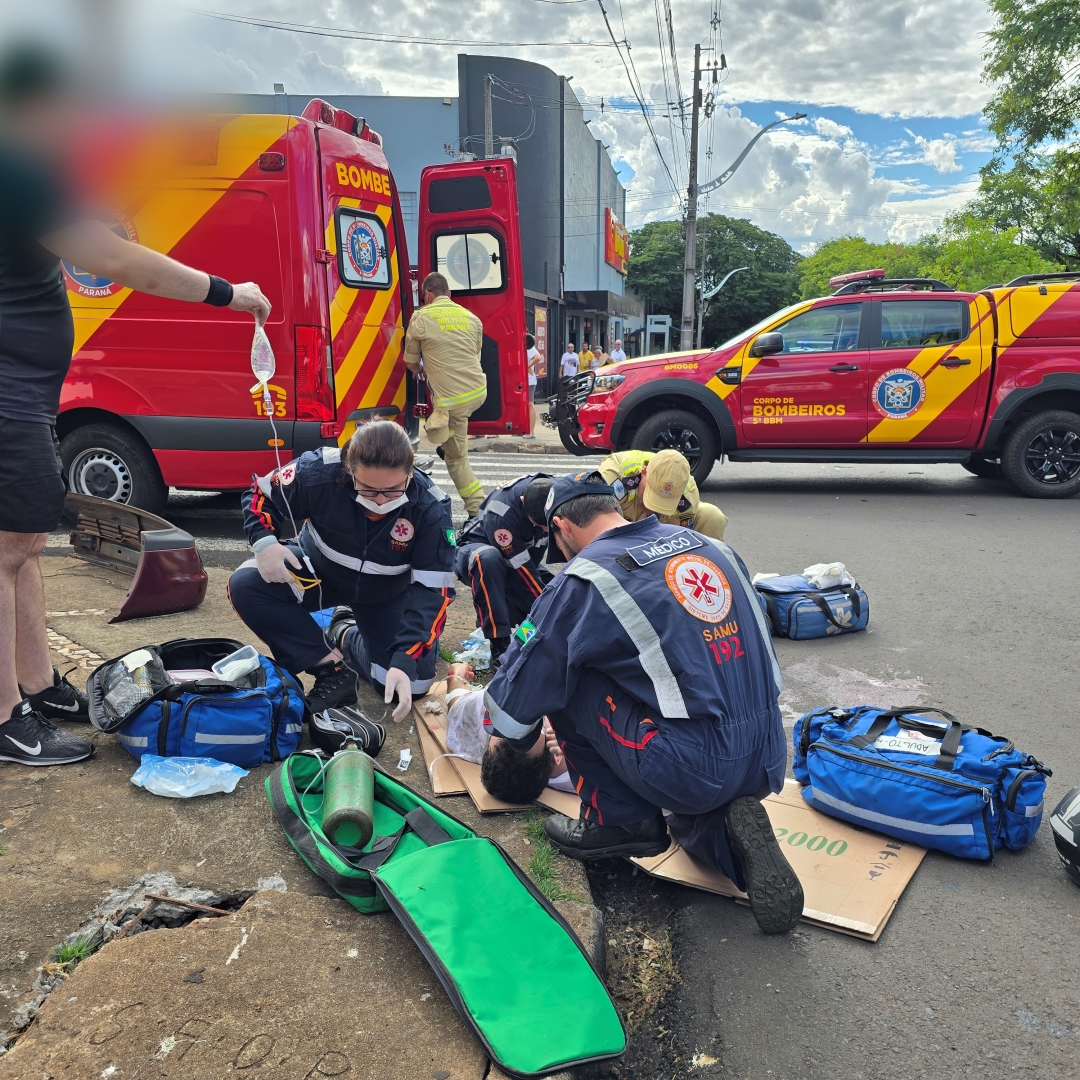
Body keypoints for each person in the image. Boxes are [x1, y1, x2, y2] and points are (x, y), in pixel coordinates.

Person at [0, 45, 271, 768]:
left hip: (23, 385)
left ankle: (36, 683)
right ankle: (5, 718)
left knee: (23, 547)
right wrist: (227, 291)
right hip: (6, 387)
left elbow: (86, 235)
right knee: (5, 549)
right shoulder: (16, 162)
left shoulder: (29, 169)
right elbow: (116, 261)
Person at [479, 471, 803, 935]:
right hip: (767, 751)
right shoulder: (707, 545)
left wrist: (522, 746)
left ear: (563, 529)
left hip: (693, 765)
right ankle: (731, 845)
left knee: (566, 673)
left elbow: (515, 703)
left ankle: (620, 823)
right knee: (692, 807)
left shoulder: (586, 575)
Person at [228, 420, 456, 723]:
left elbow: (433, 593)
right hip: (319, 573)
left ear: (410, 474)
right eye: (369, 489)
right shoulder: (319, 472)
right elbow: (262, 493)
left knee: (408, 684)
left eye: (392, 491)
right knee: (247, 584)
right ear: (349, 471)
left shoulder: (430, 508)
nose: (379, 502)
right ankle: (330, 667)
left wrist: (405, 657)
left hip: (385, 594)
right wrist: (265, 542)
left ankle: (346, 634)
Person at [404, 272, 487, 516]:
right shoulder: (472, 318)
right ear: (449, 294)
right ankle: (447, 439)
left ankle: (476, 509)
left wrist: (420, 370)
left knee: (456, 459)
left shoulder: (421, 317)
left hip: (452, 401)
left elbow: (411, 362)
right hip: (477, 391)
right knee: (451, 429)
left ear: (427, 294)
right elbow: (475, 355)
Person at [455, 473, 555, 664]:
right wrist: (545, 609)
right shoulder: (501, 514)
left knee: (557, 592)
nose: (545, 530)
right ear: (523, 502)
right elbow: (524, 575)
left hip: (520, 558)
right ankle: (499, 644)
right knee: (490, 560)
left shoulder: (558, 491)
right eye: (539, 524)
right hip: (479, 553)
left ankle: (526, 634)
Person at [599, 449, 728, 538]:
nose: (652, 508)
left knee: (712, 516)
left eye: (663, 502)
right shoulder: (613, 475)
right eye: (652, 496)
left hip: (658, 532)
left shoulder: (688, 498)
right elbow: (597, 525)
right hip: (618, 529)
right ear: (644, 472)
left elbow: (670, 540)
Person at [524, 332, 539, 439]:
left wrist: (527, 366)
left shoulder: (528, 345)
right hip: (521, 380)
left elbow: (538, 358)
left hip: (529, 380)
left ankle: (531, 431)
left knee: (530, 404)